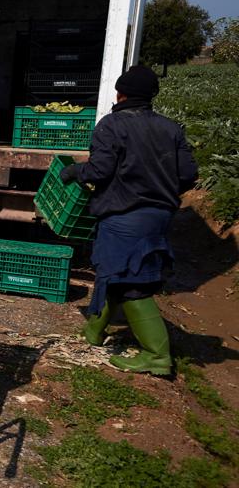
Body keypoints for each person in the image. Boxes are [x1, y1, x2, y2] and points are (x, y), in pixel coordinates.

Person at [60, 65, 198, 376]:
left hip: (124, 216)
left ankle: (157, 355)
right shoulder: (170, 128)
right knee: (115, 274)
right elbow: (188, 174)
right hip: (159, 215)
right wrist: (159, 189)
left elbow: (99, 171)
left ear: (120, 93)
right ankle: (94, 332)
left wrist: (74, 172)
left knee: (134, 285)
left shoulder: (112, 125)